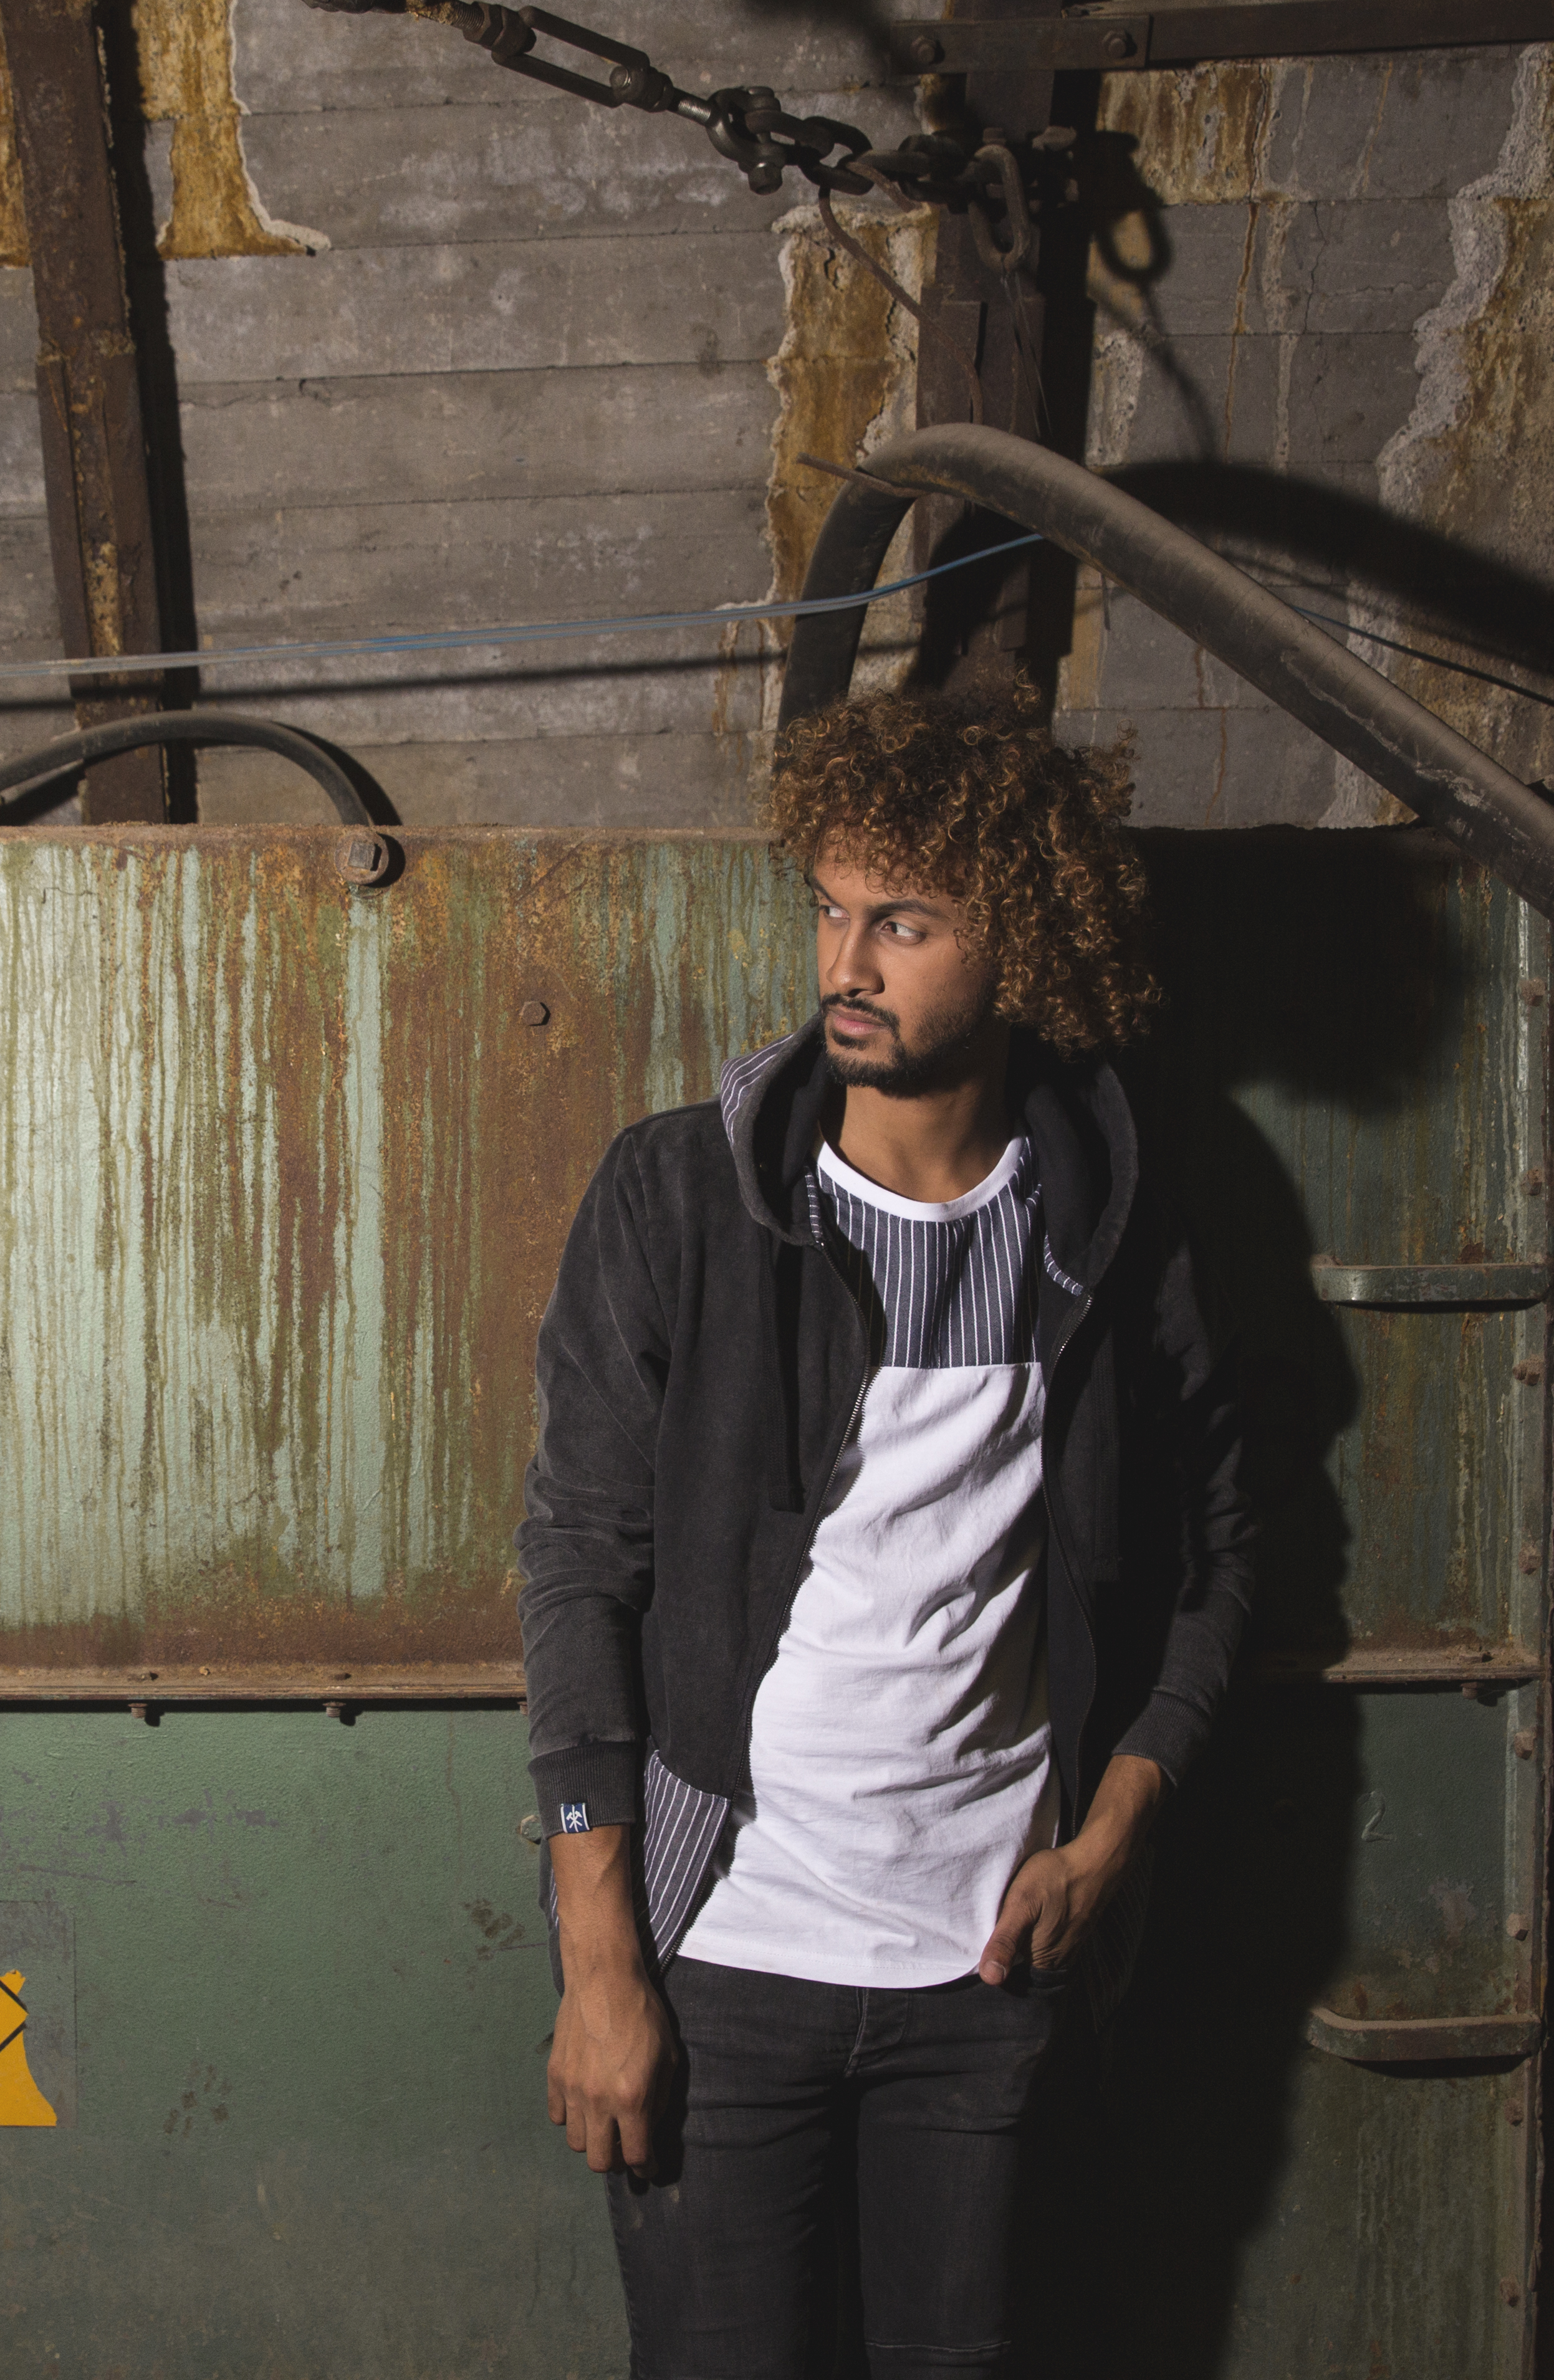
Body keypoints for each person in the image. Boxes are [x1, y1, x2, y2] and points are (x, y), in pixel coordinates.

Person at [517, 684, 1256, 2378]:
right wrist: (602, 1963)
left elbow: (1219, 1556)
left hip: (990, 1976)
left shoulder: (1111, 1225)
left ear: (1029, 948)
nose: (848, 961)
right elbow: (578, 1571)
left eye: (905, 923)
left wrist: (1115, 1836)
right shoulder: (682, 1198)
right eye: (835, 912)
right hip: (726, 1959)